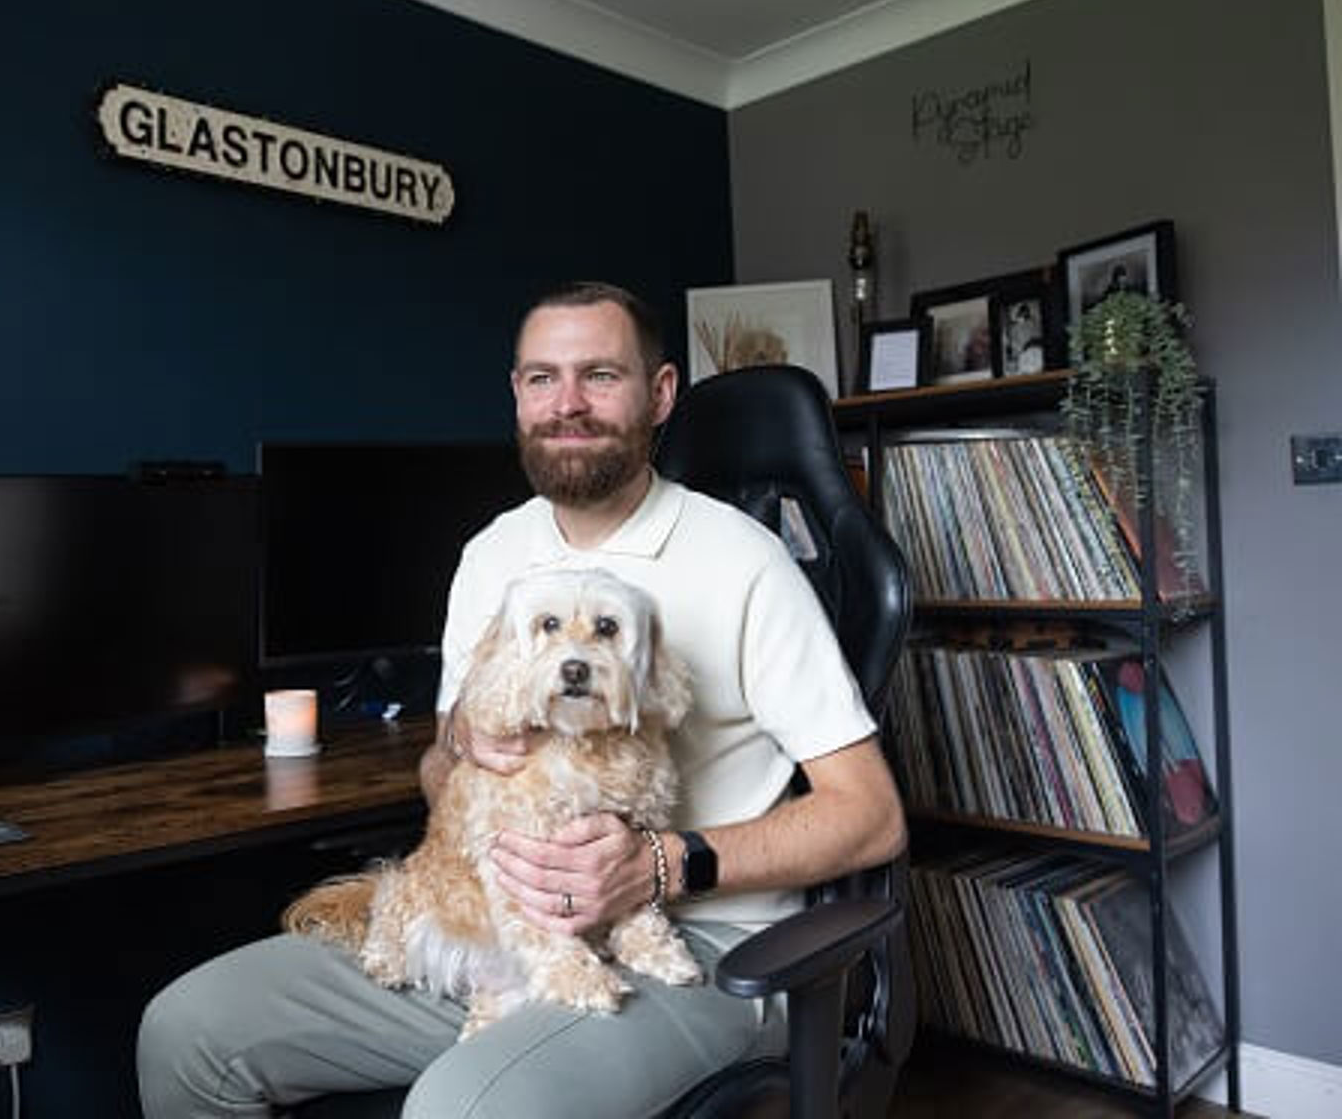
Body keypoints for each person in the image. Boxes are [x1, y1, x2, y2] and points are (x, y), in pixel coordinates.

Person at [137, 282, 906, 1118]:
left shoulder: (746, 562)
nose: (566, 404)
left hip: (704, 948)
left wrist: (660, 865)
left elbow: (871, 818)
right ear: (517, 394)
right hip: (498, 932)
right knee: (187, 1032)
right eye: (542, 378)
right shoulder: (491, 555)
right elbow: (442, 781)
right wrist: (459, 748)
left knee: (465, 1109)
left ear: (660, 395)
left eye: (599, 376)